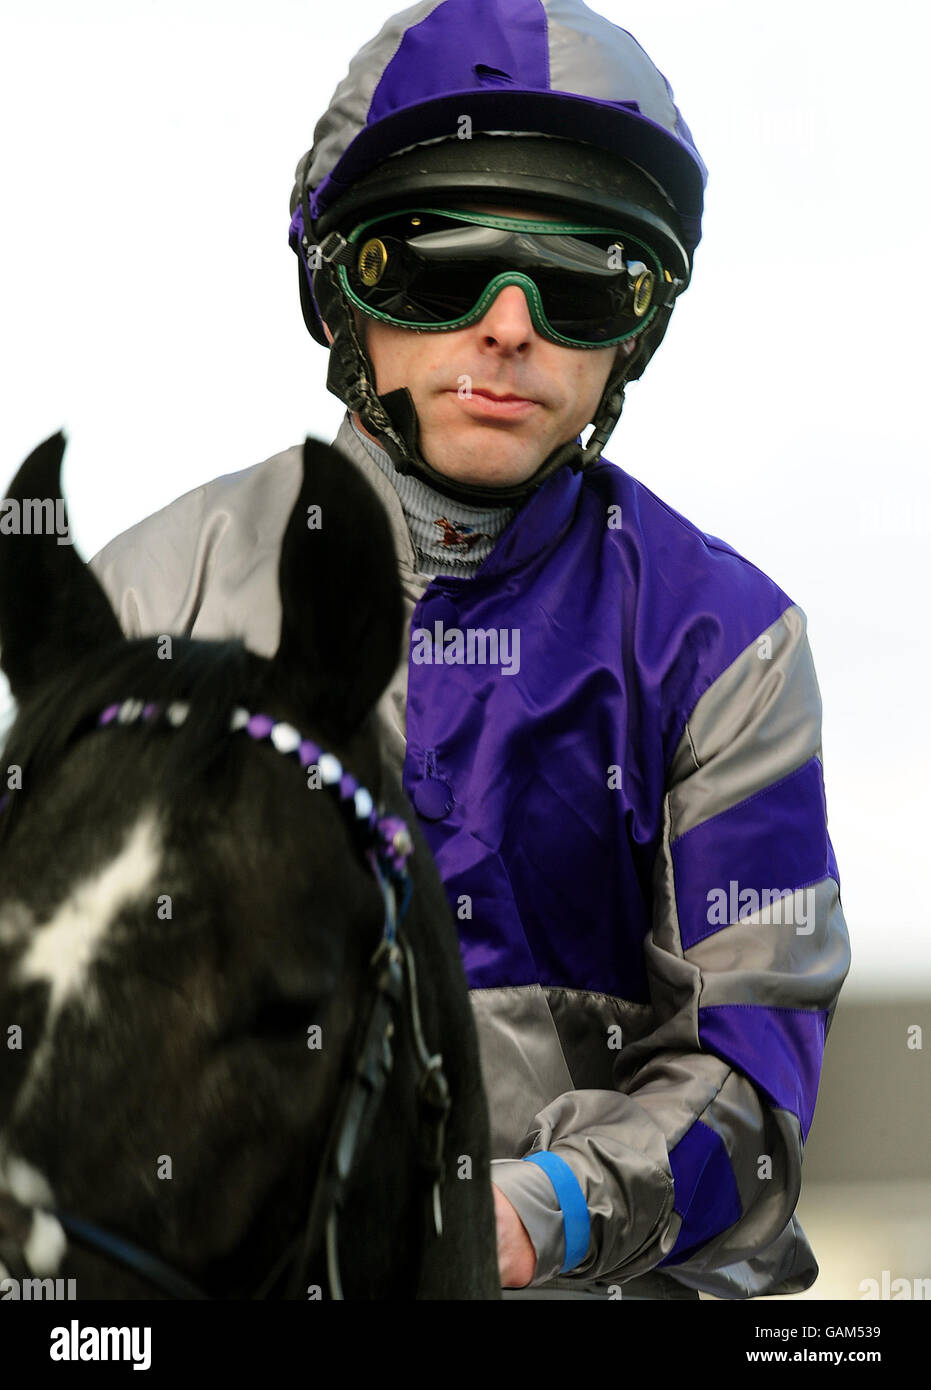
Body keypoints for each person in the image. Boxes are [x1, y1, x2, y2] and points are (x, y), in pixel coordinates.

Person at [90, 0, 850, 1299]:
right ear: (342, 297)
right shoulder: (153, 599)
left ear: (633, 333)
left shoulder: (733, 644)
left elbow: (754, 1083)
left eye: (579, 280)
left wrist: (537, 1214)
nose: (508, 327)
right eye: (437, 263)